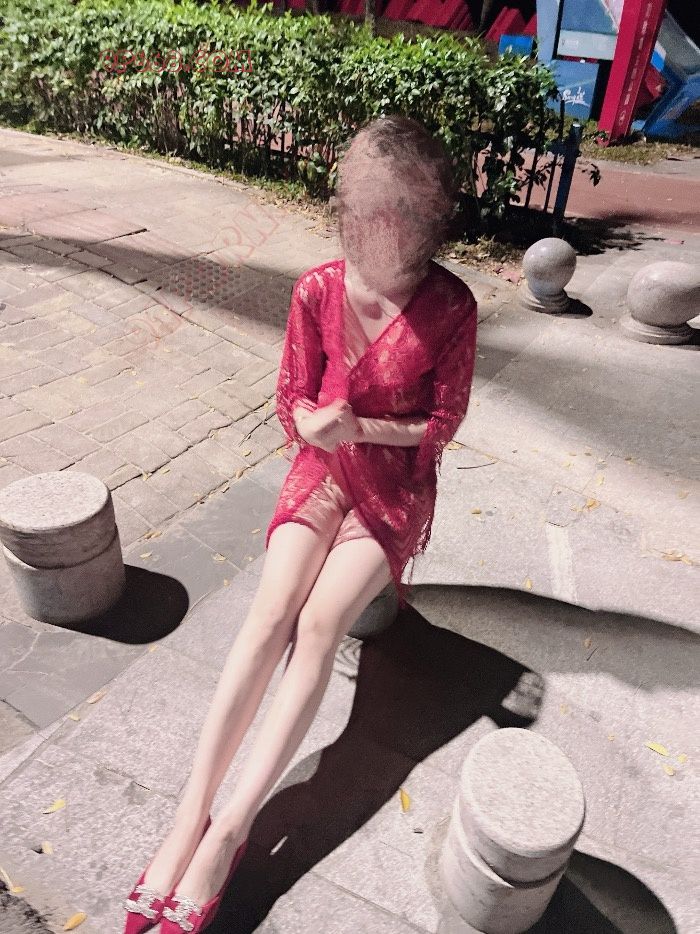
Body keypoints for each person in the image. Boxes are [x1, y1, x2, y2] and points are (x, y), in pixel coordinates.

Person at [123, 113, 478, 934]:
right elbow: (291, 399)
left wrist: (362, 427)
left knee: (318, 628)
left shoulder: (450, 304)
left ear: (426, 217)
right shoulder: (318, 287)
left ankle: (230, 832)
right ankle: (188, 818)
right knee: (269, 616)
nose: (382, 226)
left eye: (401, 212)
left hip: (393, 485)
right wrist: (315, 425)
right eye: (369, 207)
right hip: (323, 470)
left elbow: (443, 422)